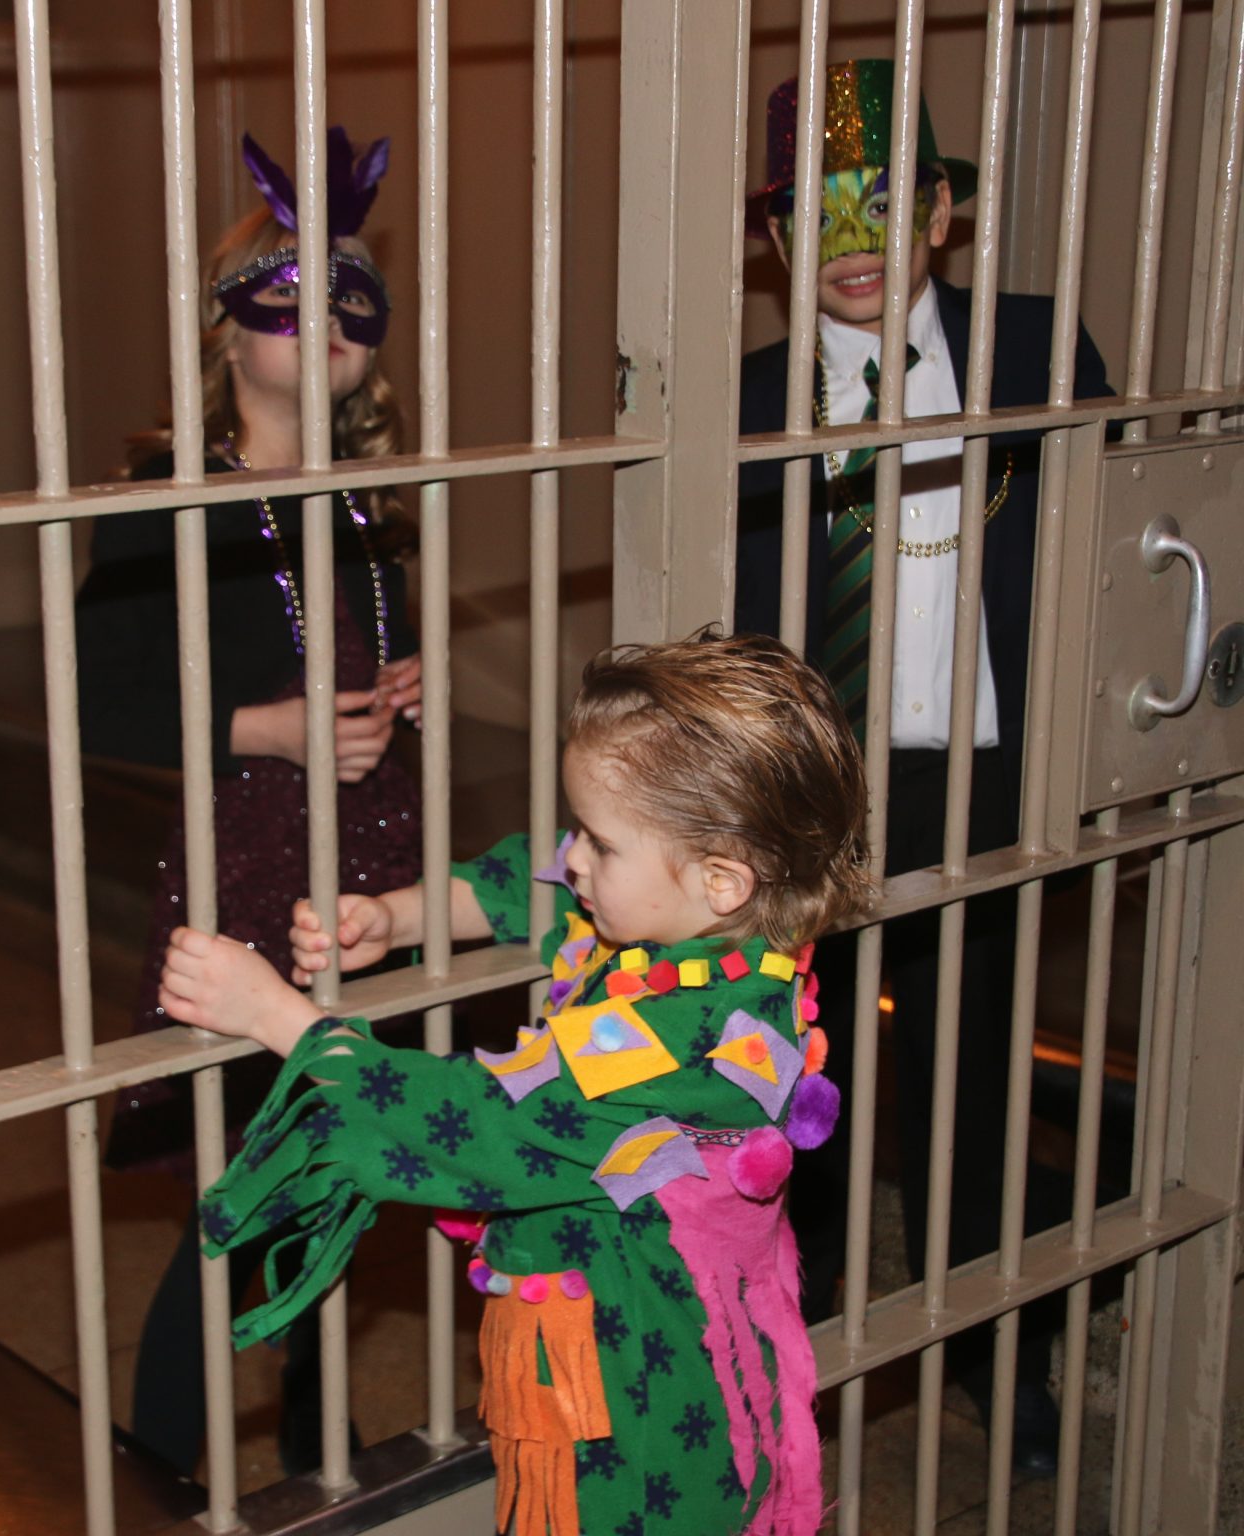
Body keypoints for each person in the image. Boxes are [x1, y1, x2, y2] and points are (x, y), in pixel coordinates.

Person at [158, 630, 870, 1536]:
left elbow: (480, 1121)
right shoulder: (701, 945)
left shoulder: (698, 1039)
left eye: (603, 846)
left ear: (723, 880)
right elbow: (530, 886)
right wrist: (399, 914)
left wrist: (274, 1016)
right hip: (611, 1363)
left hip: (648, 1405)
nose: (575, 859)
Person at [734, 58, 1115, 1475]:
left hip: (990, 769)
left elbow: (1110, 550)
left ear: (944, 214)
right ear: (774, 238)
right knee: (794, 1066)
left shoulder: (1039, 352)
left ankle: (983, 1339)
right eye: (817, 212)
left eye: (884, 203)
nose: (850, 243)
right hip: (807, 787)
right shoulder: (753, 393)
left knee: (970, 1065)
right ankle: (805, 1318)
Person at [74, 125, 422, 1477]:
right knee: (249, 1193)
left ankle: (315, 1444)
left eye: (355, 295)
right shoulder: (171, 498)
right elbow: (98, 701)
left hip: (364, 869)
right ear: (228, 332)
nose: (330, 317)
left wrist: (389, 687)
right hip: (247, 870)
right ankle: (163, 1464)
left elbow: (339, 645)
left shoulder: (373, 495)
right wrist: (267, 726)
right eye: (292, 289)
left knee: (333, 1173)